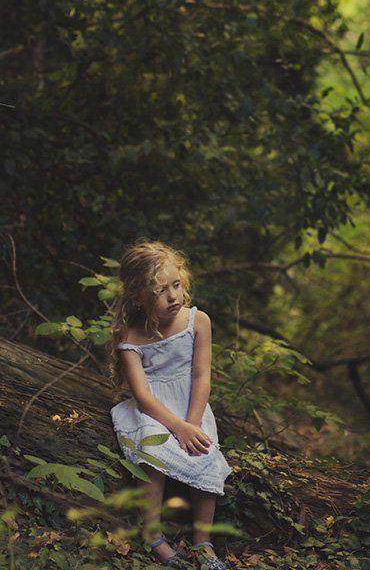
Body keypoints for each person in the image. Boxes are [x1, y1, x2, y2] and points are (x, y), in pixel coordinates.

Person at [108, 240, 233, 569]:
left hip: (191, 405)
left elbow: (201, 376)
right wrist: (176, 427)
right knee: (152, 453)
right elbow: (143, 396)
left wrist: (191, 424)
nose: (174, 296)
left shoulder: (197, 321)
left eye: (176, 285)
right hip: (154, 411)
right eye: (162, 291)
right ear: (138, 295)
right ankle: (153, 534)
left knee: (204, 453)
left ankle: (202, 542)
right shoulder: (131, 337)